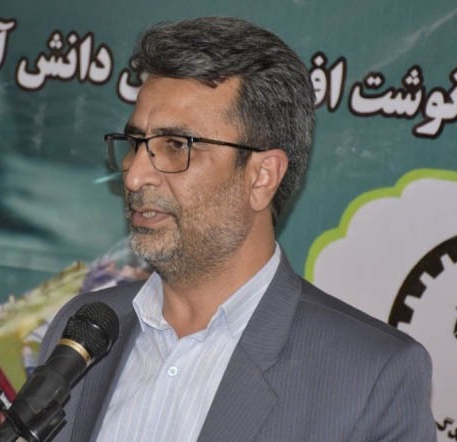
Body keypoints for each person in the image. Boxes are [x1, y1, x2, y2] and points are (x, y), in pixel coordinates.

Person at [38, 16, 436, 442]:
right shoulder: (84, 330)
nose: (134, 175)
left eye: (176, 146)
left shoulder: (372, 377)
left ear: (262, 177)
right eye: (136, 143)